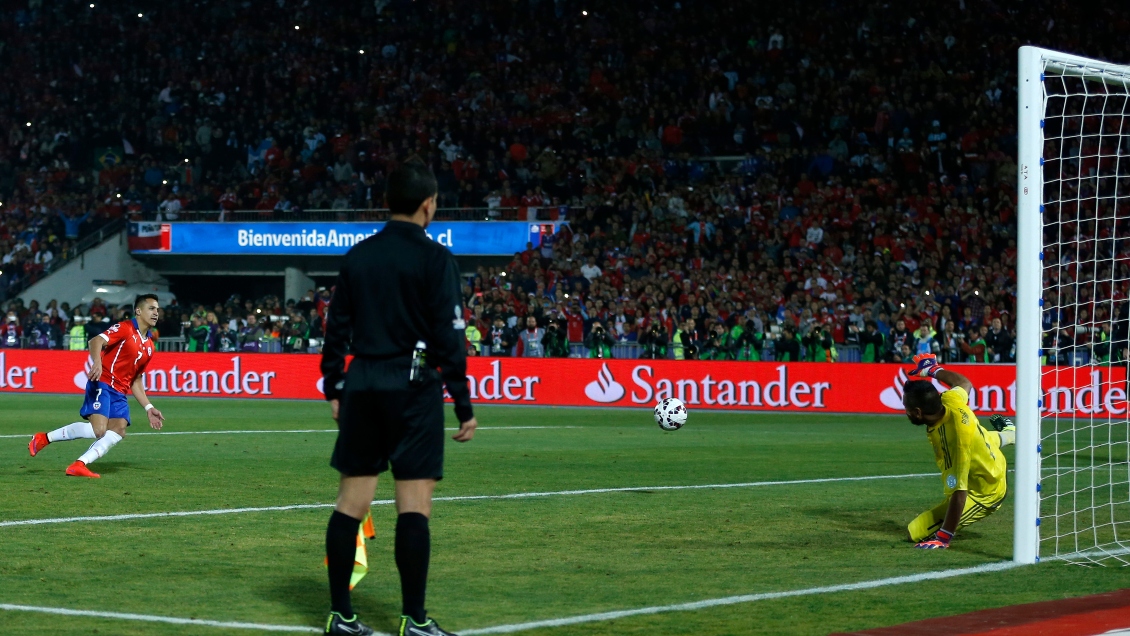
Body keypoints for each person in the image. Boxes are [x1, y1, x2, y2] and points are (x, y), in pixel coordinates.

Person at [319, 160, 477, 636]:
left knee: (350, 504)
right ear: (429, 205)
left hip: (364, 383)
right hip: (414, 387)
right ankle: (415, 620)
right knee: (414, 506)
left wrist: (335, 386)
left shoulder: (359, 256)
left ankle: (341, 617)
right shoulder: (435, 259)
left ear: (389, 201)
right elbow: (450, 338)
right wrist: (463, 403)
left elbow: (336, 328)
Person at [28, 295, 165, 478]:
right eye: (151, 308)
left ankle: (79, 464)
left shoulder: (149, 346)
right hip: (103, 381)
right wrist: (97, 362)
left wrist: (149, 407)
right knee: (98, 430)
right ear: (138, 311)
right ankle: (43, 438)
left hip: (120, 391)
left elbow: (136, 380)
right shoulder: (125, 328)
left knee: (118, 429)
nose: (156, 313)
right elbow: (95, 341)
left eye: (157, 309)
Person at [901, 354, 1016, 548]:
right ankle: (1010, 434)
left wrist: (943, 537)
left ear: (919, 412)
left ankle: (1010, 435)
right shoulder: (950, 398)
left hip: (985, 490)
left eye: (907, 408)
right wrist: (933, 370)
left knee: (915, 532)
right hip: (983, 445)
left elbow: (960, 493)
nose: (906, 412)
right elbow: (964, 382)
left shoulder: (955, 442)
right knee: (983, 438)